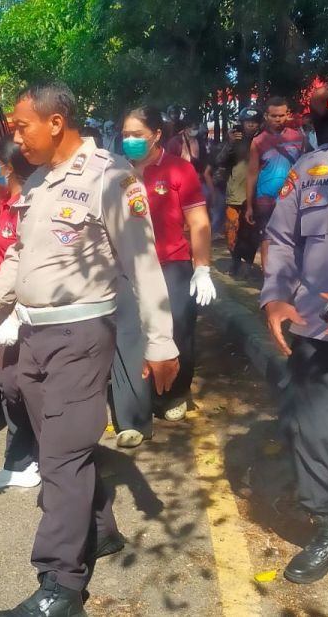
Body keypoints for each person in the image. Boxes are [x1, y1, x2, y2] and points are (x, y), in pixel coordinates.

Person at [0, 82, 179, 617]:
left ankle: (60, 585)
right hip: (32, 335)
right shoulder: (38, 182)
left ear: (56, 122)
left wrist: (162, 341)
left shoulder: (110, 180)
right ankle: (99, 531)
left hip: (79, 338)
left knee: (60, 459)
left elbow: (143, 265)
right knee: (64, 447)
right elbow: (18, 257)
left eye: (21, 125)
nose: (14, 135)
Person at [261, 51, 328, 585]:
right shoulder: (311, 167)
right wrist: (275, 297)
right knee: (314, 432)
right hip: (317, 327)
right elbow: (280, 240)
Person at [110, 107, 216, 448]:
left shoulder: (177, 170)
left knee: (178, 331)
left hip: (171, 264)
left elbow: (198, 222)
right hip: (127, 268)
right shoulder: (114, 173)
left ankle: (173, 394)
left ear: (156, 135)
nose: (130, 141)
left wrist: (203, 268)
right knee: (130, 335)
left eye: (137, 135)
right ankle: (135, 409)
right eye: (125, 134)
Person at [0, 137, 41, 490]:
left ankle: (27, 460)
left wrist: (15, 312)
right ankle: (21, 459)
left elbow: (24, 265)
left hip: (20, 311)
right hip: (4, 309)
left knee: (17, 386)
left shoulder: (28, 207)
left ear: (8, 167)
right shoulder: (8, 205)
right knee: (10, 386)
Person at [244, 97, 309, 269]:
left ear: (287, 114)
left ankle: (289, 276)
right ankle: (268, 280)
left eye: (281, 115)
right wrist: (249, 205)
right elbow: (251, 174)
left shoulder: (299, 137)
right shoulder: (258, 142)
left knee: (293, 238)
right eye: (274, 116)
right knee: (267, 239)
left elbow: (304, 168)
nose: (278, 119)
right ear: (266, 116)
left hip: (292, 199)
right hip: (265, 199)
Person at [219, 107, 263, 275]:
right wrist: (229, 143)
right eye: (248, 122)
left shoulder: (262, 140)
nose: (251, 125)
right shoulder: (234, 140)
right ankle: (235, 261)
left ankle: (248, 264)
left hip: (256, 194)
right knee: (231, 231)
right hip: (234, 194)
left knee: (250, 233)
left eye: (254, 122)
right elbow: (219, 160)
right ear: (242, 123)